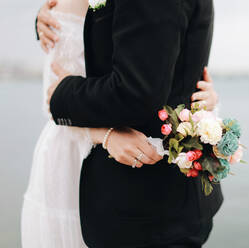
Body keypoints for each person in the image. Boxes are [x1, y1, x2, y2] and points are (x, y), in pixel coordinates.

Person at [23, 0, 222, 247]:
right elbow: (52, 94)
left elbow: (151, 81)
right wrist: (102, 134)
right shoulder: (62, 9)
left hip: (151, 201)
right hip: (88, 174)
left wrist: (203, 99)